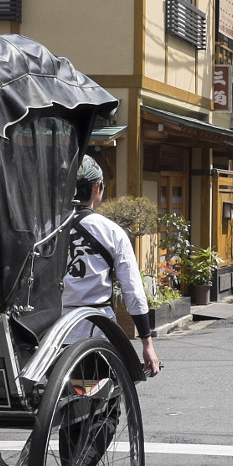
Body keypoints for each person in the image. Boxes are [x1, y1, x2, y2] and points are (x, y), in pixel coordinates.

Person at [62, 157, 161, 375]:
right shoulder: (111, 231)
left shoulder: (46, 230)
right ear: (97, 187)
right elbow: (133, 291)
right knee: (103, 396)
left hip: (53, 334)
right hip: (97, 331)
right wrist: (147, 344)